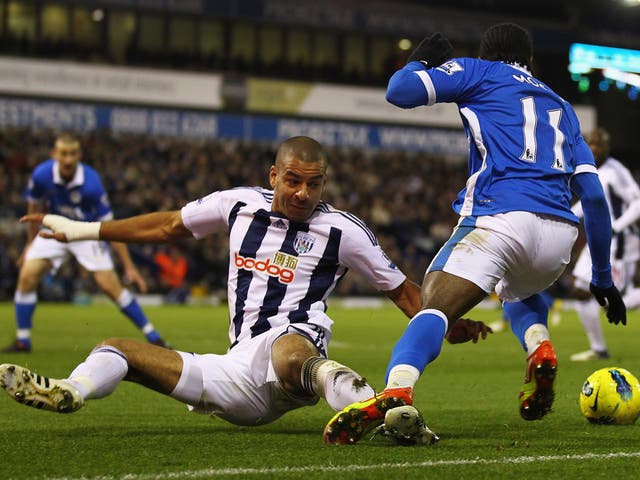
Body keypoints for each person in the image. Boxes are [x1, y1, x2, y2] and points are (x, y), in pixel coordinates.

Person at [1, 136, 490, 439]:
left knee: (292, 350)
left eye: (313, 184)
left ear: (325, 185)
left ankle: (384, 413)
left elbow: (402, 290)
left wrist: (443, 324)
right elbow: (169, 225)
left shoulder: (344, 231)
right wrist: (80, 229)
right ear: (273, 175)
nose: (302, 193)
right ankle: (70, 390)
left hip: (295, 345)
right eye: (293, 181)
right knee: (117, 350)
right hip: (238, 370)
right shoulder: (238, 206)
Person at [323, 24, 627, 445]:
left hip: (501, 217)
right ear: (531, 62)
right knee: (517, 291)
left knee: (433, 305)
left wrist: (421, 61)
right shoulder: (562, 106)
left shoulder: (479, 72)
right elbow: (593, 198)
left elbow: (399, 91)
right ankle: (539, 345)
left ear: (488, 55)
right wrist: (602, 279)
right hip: (557, 238)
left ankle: (397, 392)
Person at [2, 132, 168, 352]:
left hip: (86, 232)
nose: (68, 159)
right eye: (63, 154)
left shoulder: (92, 183)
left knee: (109, 285)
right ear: (55, 154)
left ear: (79, 155)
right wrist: (29, 244)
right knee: (27, 274)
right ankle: (23, 340)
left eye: (72, 154)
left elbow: (112, 227)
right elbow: (33, 210)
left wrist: (128, 265)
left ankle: (154, 337)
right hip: (54, 229)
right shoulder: (41, 175)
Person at [569, 128, 640, 361]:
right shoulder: (591, 170)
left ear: (606, 147)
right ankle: (599, 349)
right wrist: (566, 216)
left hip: (619, 242)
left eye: (598, 145)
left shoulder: (615, 171)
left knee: (617, 302)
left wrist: (617, 226)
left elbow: (637, 202)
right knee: (580, 290)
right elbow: (589, 203)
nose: (594, 149)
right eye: (590, 144)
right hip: (599, 238)